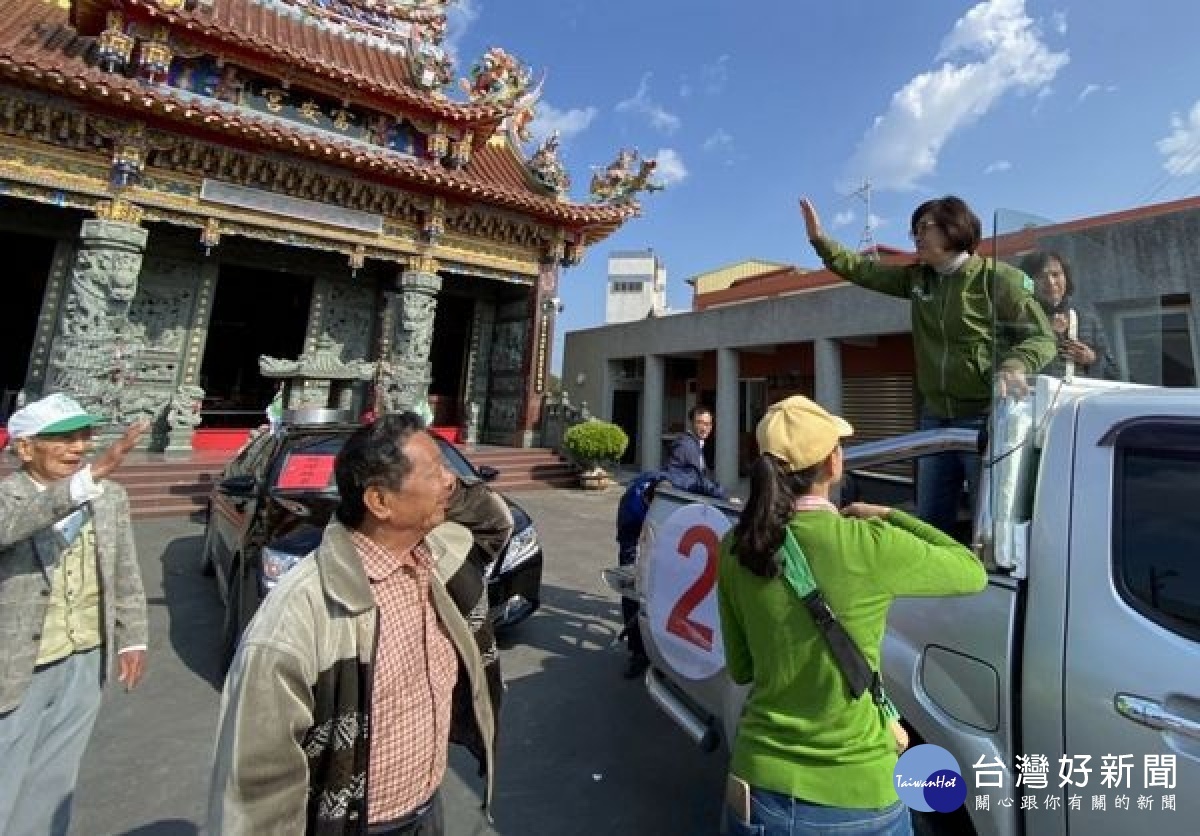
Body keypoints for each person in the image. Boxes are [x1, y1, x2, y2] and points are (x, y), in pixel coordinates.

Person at [209, 412, 495, 836]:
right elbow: (256, 788)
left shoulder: (436, 558)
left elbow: (492, 523)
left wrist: (443, 467)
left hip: (426, 804)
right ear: (379, 502)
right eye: (435, 472)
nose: (450, 482)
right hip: (354, 824)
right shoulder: (299, 615)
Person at [716, 396, 987, 836]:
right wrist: (890, 515)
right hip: (858, 796)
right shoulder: (869, 543)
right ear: (832, 463)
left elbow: (743, 668)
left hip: (758, 786)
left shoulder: (732, 548)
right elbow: (970, 571)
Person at [799, 196, 1056, 534]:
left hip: (985, 418)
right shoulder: (919, 279)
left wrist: (1015, 364)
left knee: (990, 525)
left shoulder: (998, 279)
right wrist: (820, 241)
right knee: (931, 519)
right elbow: (863, 270)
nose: (917, 237)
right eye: (914, 231)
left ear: (954, 228)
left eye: (924, 228)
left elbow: (1043, 338)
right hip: (934, 419)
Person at [0, 394, 149, 836]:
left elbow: (125, 569)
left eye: (83, 438)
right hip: (17, 663)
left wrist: (133, 636)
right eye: (63, 439)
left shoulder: (108, 497)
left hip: (86, 651)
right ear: (25, 448)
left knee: (56, 774)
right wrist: (90, 478)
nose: (79, 449)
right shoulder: (8, 497)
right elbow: (10, 528)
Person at [1022, 250, 1119, 380]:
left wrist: (1093, 359)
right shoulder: (1017, 317)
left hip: (1079, 397)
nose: (1051, 282)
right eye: (1040, 276)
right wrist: (1048, 334)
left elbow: (1113, 371)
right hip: (1036, 397)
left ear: (1066, 277)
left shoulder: (1087, 317)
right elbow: (1008, 367)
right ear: (1028, 282)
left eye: (1056, 274)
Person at [614, 470, 666, 679]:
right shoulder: (631, 508)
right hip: (635, 541)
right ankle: (637, 651)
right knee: (632, 591)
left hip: (663, 541)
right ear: (648, 501)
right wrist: (637, 572)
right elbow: (628, 547)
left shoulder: (671, 484)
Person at [664, 405, 727, 499]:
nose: (704, 428)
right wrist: (722, 495)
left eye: (708, 424)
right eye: (700, 423)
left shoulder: (696, 444)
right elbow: (680, 476)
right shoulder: (686, 445)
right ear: (692, 423)